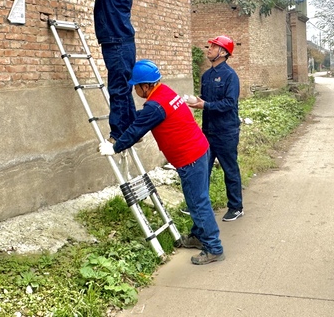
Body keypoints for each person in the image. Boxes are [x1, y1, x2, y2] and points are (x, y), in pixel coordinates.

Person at [98, 60, 225, 265]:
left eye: (136, 86)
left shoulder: (155, 105)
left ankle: (214, 247)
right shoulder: (164, 92)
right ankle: (198, 236)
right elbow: (146, 117)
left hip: (190, 157)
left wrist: (114, 147)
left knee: (198, 202)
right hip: (198, 150)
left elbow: (137, 129)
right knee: (196, 199)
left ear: (146, 85)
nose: (135, 89)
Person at [44, 0, 137, 142]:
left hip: (118, 43)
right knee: (123, 88)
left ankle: (117, 135)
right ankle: (131, 130)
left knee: (118, 89)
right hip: (120, 42)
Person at [187, 35, 243, 222]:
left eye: (213, 47)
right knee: (202, 169)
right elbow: (205, 100)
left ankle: (235, 207)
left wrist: (205, 106)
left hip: (226, 132)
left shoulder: (230, 76)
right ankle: (199, 204)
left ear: (223, 52)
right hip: (208, 131)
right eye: (209, 46)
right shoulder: (206, 76)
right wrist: (196, 102)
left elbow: (229, 103)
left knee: (230, 169)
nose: (209, 49)